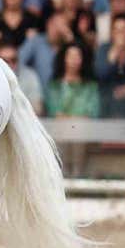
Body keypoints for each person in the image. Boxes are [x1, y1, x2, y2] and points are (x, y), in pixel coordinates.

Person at [45, 42, 99, 176]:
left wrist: (72, 120)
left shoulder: (90, 86)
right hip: (60, 132)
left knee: (78, 129)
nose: (74, 60)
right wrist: (74, 119)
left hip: (83, 132)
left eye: (77, 56)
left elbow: (92, 112)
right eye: (70, 56)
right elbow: (55, 113)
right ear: (64, 58)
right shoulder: (55, 85)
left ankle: (77, 177)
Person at [0, 41, 43, 115]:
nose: (10, 64)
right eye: (5, 61)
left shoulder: (29, 75)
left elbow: (37, 109)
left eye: (13, 60)